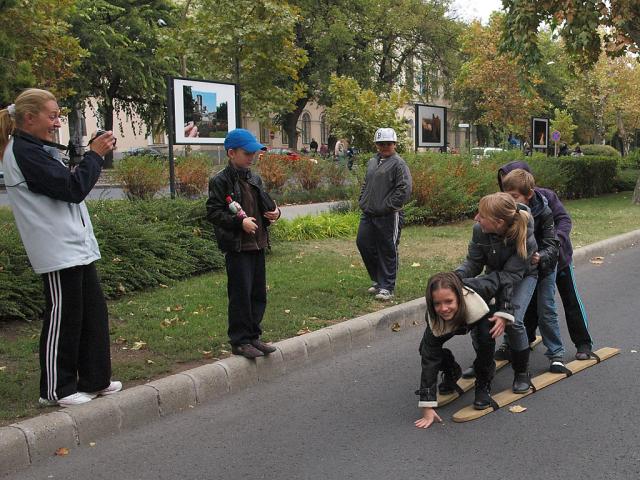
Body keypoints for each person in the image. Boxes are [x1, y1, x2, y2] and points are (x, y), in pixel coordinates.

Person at [0, 88, 121, 407]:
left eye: (59, 116)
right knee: (64, 318)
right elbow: (73, 188)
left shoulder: (38, 149)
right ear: (29, 118)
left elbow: (67, 183)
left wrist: (92, 154)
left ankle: (96, 378)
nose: (57, 122)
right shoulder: (23, 152)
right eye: (52, 116)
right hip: (55, 249)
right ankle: (56, 389)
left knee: (91, 314)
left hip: (75, 245)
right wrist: (95, 154)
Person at [498, 160, 594, 359]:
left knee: (570, 301)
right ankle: (524, 339)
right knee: (530, 302)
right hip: (530, 261)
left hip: (558, 258)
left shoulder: (547, 197)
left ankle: (583, 343)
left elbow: (564, 220)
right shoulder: (507, 203)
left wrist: (554, 243)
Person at [206, 128, 281, 359]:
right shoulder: (220, 180)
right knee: (240, 295)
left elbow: (265, 205)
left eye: (254, 153)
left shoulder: (254, 178)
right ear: (231, 153)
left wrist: (276, 213)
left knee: (258, 294)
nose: (252, 157)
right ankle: (240, 341)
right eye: (247, 153)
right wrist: (240, 223)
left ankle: (254, 336)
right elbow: (214, 212)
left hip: (257, 244)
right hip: (238, 247)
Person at [415, 270, 520, 429]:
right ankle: (452, 371)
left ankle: (483, 384)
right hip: (455, 322)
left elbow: (504, 278)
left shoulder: (478, 288)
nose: (443, 308)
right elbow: (429, 361)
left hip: (483, 314)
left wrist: (504, 311)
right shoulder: (435, 318)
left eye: (449, 301)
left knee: (485, 344)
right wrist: (427, 407)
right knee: (426, 350)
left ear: (459, 296)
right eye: (437, 303)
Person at [456, 192, 538, 393]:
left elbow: (510, 276)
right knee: (479, 316)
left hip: (522, 276)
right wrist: (455, 278)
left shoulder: (525, 235)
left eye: (481, 216)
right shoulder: (479, 230)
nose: (476, 218)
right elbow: (474, 262)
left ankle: (522, 371)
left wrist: (503, 312)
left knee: (514, 321)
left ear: (499, 222)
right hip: (494, 275)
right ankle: (483, 363)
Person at [500, 169, 567, 372]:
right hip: (519, 266)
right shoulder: (508, 210)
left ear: (528, 195)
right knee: (511, 306)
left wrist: (542, 256)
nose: (510, 201)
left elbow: (552, 244)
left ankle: (556, 354)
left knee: (546, 309)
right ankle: (508, 344)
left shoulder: (544, 212)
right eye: (507, 195)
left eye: (514, 197)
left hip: (543, 266)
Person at [356, 127, 412, 301]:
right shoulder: (373, 162)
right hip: (369, 213)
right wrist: (363, 200)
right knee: (363, 243)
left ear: (394, 144)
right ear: (376, 145)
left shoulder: (398, 164)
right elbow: (367, 183)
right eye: (381, 144)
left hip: (389, 215)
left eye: (388, 143)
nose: (384, 147)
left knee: (387, 249)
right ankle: (378, 280)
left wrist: (387, 206)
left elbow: (404, 189)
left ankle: (387, 286)